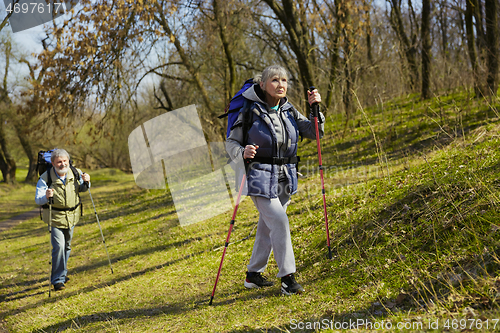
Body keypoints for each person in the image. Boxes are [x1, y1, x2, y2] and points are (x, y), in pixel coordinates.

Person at [226, 65, 325, 295]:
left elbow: (315, 132)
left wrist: (314, 109)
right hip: (258, 177)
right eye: (274, 80)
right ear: (262, 84)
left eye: (284, 80)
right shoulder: (249, 111)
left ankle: (253, 274)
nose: (281, 85)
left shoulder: (289, 110)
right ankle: (288, 279)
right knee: (279, 221)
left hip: (285, 177)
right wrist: (243, 152)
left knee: (267, 226)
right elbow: (231, 143)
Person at [35, 149, 90, 291]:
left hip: (72, 216)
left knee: (67, 246)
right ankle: (58, 280)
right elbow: (38, 200)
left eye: (65, 161)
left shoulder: (75, 172)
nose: (62, 164)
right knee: (58, 247)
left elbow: (82, 189)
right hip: (55, 218)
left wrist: (87, 182)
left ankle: (62, 274)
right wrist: (46, 196)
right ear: (53, 163)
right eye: (59, 161)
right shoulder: (46, 178)